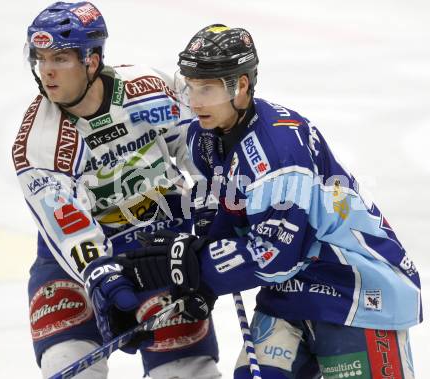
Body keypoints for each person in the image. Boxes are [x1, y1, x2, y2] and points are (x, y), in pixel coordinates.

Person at [116, 24, 422, 378]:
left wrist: (199, 269)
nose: (195, 101)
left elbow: (275, 254)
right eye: (191, 86)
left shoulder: (279, 151)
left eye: (208, 87)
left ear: (241, 85)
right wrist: (179, 275)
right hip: (289, 293)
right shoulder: (205, 136)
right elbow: (219, 211)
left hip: (355, 288)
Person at [12, 3, 221, 378]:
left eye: (59, 58)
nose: (47, 71)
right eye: (40, 59)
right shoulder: (38, 141)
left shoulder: (149, 89)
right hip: (73, 261)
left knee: (188, 371)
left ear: (91, 60)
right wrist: (99, 273)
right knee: (67, 364)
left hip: (158, 246)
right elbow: (66, 222)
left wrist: (209, 208)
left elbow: (197, 146)